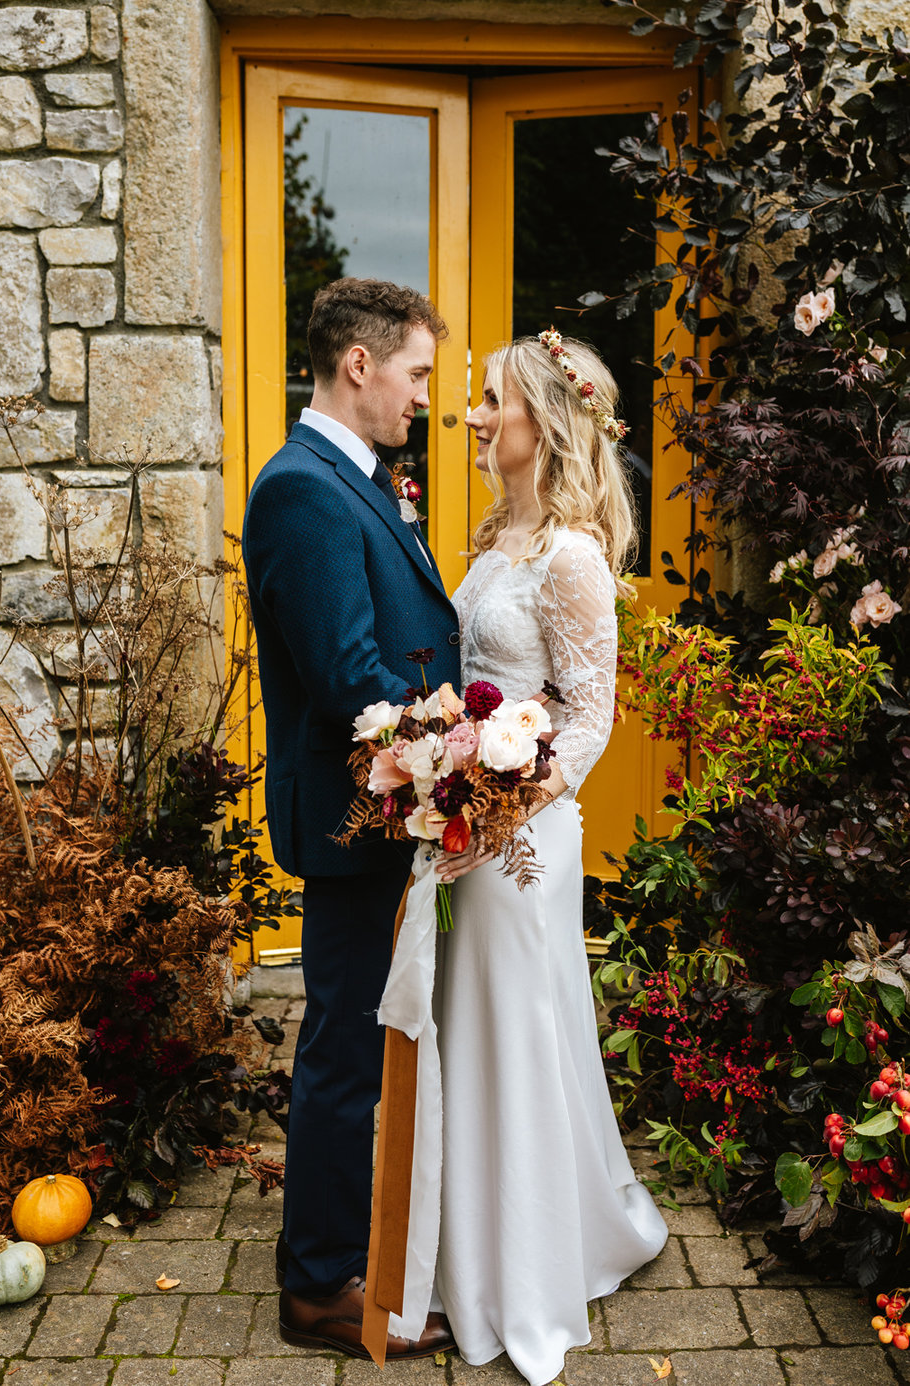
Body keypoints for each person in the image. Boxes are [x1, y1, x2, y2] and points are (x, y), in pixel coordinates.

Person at [432, 332, 669, 1386]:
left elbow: (588, 720)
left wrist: (500, 804)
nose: (477, 418)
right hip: (471, 830)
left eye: (493, 403)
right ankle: (466, 1239)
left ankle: (526, 1267)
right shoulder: (496, 541)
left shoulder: (570, 556)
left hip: (522, 840)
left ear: (544, 423)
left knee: (519, 1025)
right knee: (470, 1024)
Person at [241, 278, 460, 1360]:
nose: (425, 394)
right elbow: (347, 679)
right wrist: (457, 752)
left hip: (386, 813)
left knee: (354, 1043)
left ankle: (332, 1250)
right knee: (338, 1052)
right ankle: (320, 1286)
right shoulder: (303, 491)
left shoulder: (355, 478)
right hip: (353, 819)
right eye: (416, 372)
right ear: (360, 365)